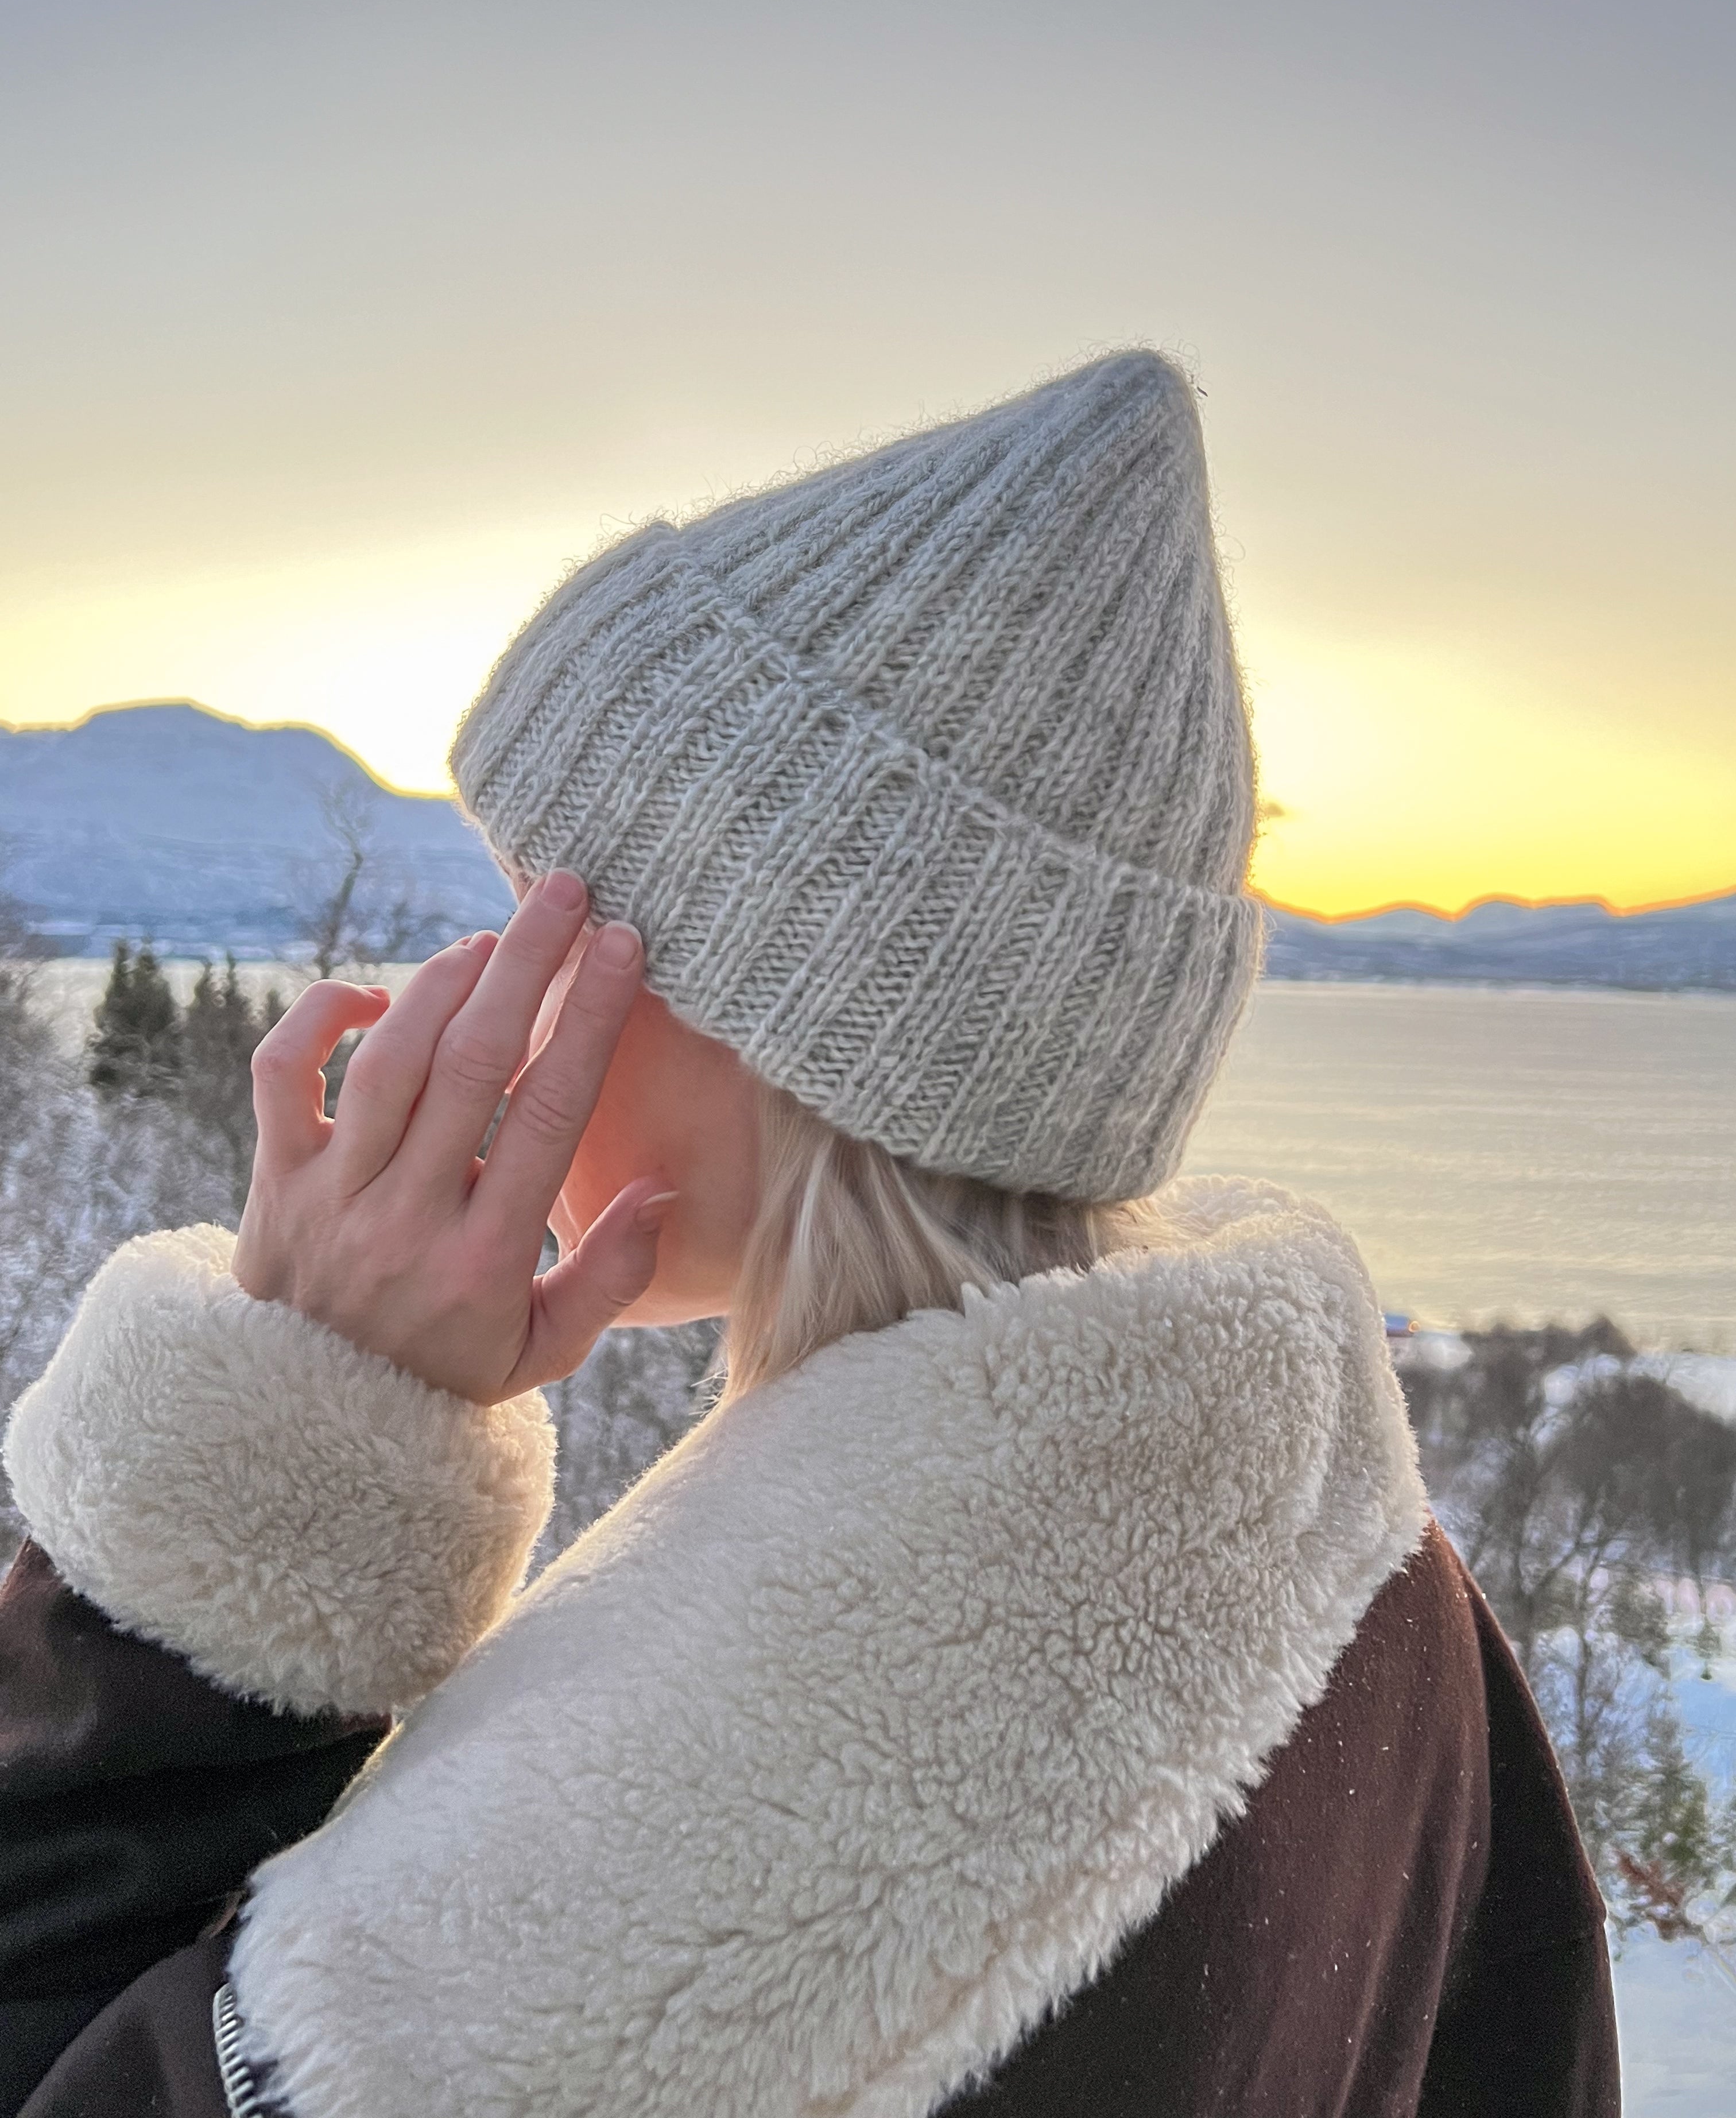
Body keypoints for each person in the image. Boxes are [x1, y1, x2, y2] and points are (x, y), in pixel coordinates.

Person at [0, 353, 1617, 2117]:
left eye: (552, 904)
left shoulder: (594, 1940)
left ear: (793, 1030)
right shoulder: (1374, 1601)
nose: (478, 1005)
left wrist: (256, 1505)